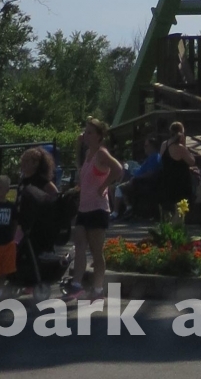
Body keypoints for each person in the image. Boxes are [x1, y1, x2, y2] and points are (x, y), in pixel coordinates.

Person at [67, 119, 123, 301]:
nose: (86, 135)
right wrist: (78, 145)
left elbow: (118, 169)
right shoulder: (88, 154)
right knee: (79, 245)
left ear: (99, 136)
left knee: (96, 251)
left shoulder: (101, 154)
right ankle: (76, 285)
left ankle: (98, 288)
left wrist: (104, 186)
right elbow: (79, 169)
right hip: (84, 208)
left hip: (98, 209)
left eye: (90, 132)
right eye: (86, 131)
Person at [17, 146, 63, 296]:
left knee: (33, 250)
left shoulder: (40, 180)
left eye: (26, 161)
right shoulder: (23, 180)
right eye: (22, 161)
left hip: (37, 222)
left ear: (36, 163)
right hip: (23, 219)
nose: (22, 164)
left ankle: (35, 279)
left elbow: (54, 194)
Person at [157, 121, 198, 216]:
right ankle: (178, 227)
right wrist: (184, 145)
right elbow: (192, 161)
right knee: (179, 210)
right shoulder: (179, 148)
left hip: (166, 179)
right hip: (180, 182)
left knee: (169, 210)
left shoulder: (164, 144)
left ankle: (171, 227)